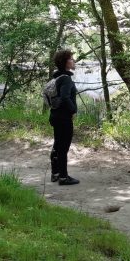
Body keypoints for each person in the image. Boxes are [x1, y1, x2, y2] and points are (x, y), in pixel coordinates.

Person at [49, 50, 80, 185]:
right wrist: (73, 110)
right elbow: (65, 97)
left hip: (55, 115)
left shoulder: (56, 78)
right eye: (71, 59)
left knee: (57, 145)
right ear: (65, 62)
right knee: (63, 148)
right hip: (63, 117)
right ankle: (63, 177)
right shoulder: (66, 79)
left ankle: (55, 173)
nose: (73, 61)